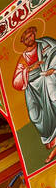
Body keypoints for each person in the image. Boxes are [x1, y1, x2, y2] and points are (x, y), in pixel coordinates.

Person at [12, 26, 56, 162]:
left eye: (30, 35)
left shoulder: (46, 43)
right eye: (25, 38)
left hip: (49, 78)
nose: (29, 39)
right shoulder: (24, 57)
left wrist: (52, 69)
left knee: (53, 99)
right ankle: (51, 139)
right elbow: (16, 81)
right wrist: (31, 67)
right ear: (23, 42)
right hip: (33, 87)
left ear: (34, 34)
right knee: (34, 115)